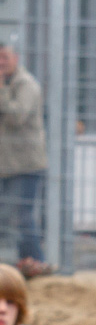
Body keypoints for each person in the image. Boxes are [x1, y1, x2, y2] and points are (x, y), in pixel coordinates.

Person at [0, 43, 50, 277]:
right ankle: (21, 264)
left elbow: (16, 117)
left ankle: (35, 264)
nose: (1, 62)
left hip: (25, 165)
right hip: (7, 164)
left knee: (22, 218)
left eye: (5, 57)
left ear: (16, 58)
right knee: (11, 218)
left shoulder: (27, 85)